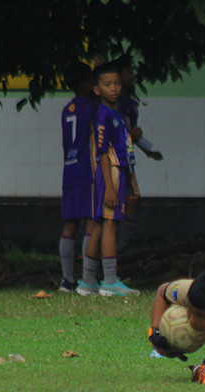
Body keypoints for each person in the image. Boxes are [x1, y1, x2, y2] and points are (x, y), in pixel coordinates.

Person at [77, 62, 140, 297]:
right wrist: (111, 188)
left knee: (101, 225)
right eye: (107, 84)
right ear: (96, 89)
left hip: (120, 172)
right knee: (110, 224)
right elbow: (102, 153)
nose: (114, 88)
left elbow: (127, 148)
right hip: (110, 172)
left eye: (116, 84)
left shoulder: (117, 114)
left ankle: (88, 282)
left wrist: (132, 180)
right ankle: (110, 281)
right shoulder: (103, 115)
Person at [58, 62, 98, 293]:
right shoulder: (94, 108)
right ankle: (87, 280)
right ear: (86, 83)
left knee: (70, 225)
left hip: (69, 169)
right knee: (91, 222)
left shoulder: (67, 109)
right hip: (86, 170)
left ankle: (67, 280)